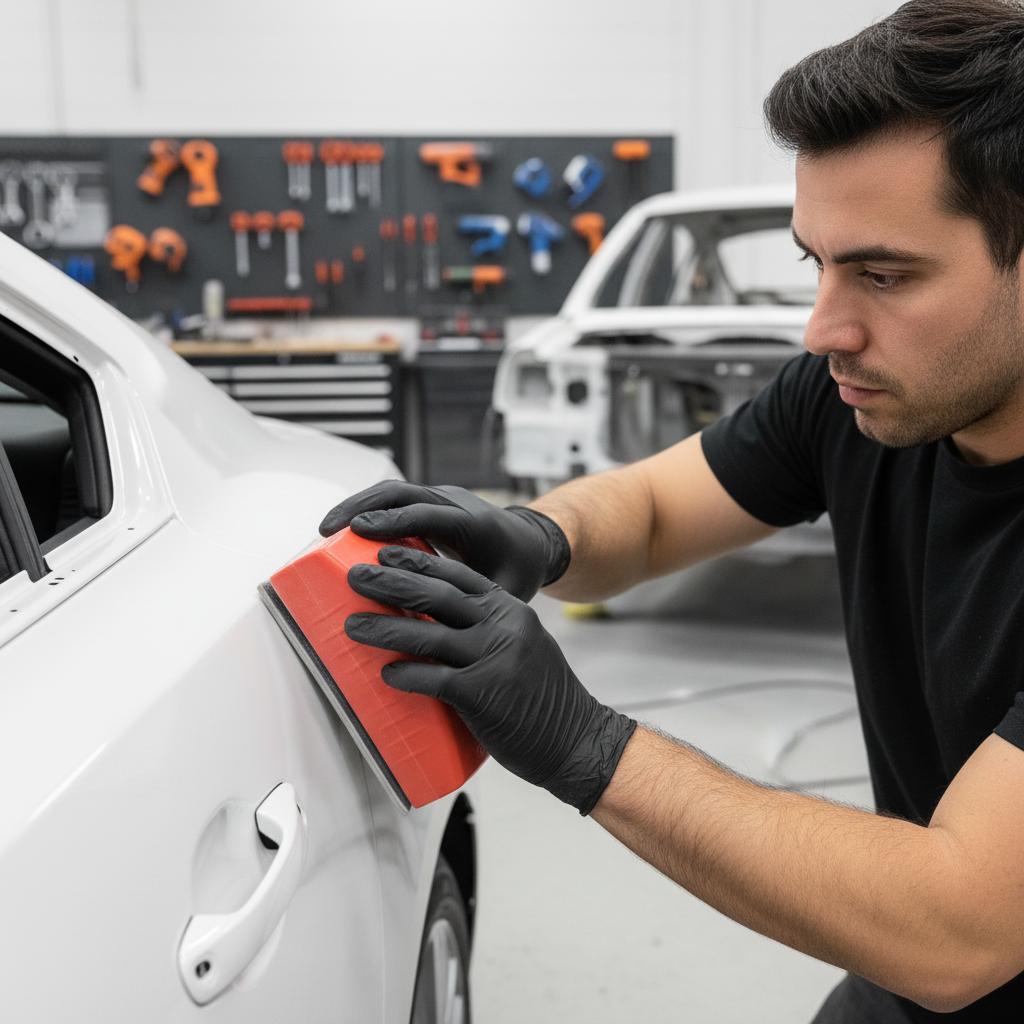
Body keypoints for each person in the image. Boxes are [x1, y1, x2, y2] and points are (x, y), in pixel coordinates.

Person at [320, 2, 1024, 1020]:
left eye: (882, 273)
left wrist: (584, 741)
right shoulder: (849, 397)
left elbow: (959, 927)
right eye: (812, 262)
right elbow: (650, 508)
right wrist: (541, 534)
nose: (824, 326)